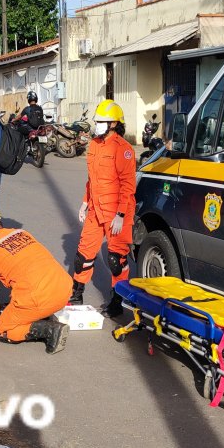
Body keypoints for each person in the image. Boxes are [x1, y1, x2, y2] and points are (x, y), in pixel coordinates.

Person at [69, 99, 136, 318]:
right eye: (96, 121)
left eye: (102, 121)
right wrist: (85, 201)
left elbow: (128, 185)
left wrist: (121, 214)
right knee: (83, 254)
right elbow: (93, 179)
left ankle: (118, 299)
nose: (97, 124)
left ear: (114, 124)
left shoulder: (123, 149)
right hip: (96, 210)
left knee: (117, 259)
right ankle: (76, 294)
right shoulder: (95, 145)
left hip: (117, 212)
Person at [0, 208, 71, 354]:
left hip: (40, 298)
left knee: (3, 330)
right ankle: (43, 316)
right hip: (64, 289)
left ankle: (49, 329)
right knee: (18, 299)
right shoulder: (21, 233)